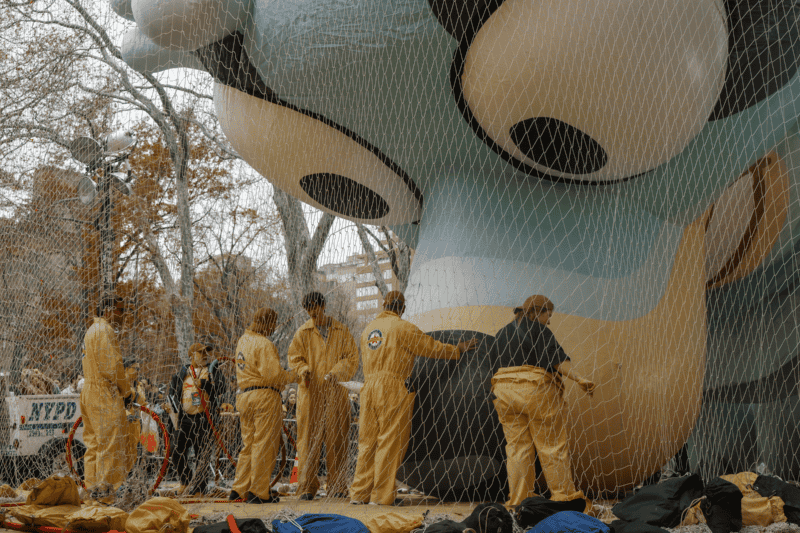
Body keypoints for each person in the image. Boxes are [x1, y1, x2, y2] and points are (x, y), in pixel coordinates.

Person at [350, 291, 478, 505]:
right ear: (402, 308)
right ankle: (380, 496)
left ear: (384, 305)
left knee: (367, 443)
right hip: (392, 386)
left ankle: (359, 494)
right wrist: (457, 350)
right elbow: (429, 347)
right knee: (389, 442)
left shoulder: (368, 330)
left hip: (369, 387)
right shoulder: (402, 328)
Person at [491, 295, 595, 506]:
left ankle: (519, 501)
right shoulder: (539, 330)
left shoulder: (502, 333)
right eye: (548, 314)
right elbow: (556, 361)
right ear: (538, 312)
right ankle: (564, 497)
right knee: (551, 446)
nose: (549, 320)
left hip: (504, 393)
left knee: (517, 448)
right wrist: (580, 379)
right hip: (535, 391)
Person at [288, 291, 359, 500]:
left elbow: (351, 358)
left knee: (337, 440)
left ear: (323, 306)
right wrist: (303, 370)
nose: (312, 313)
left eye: (315, 308)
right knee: (307, 441)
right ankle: (307, 486)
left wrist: (336, 373)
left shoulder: (341, 330)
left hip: (336, 393)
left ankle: (337, 486)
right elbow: (294, 359)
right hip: (310, 394)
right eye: (308, 310)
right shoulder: (302, 333)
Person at [231, 307, 298, 504]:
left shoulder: (243, 341)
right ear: (266, 323)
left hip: (244, 396)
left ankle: (239, 488)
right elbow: (274, 376)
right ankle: (259, 492)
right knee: (264, 445)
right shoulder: (263, 344)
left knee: (248, 445)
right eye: (272, 325)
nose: (273, 329)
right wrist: (295, 375)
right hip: (264, 396)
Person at [80, 295, 137, 500]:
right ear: (108, 311)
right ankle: (106, 494)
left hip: (88, 390)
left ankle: (92, 490)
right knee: (110, 443)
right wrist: (127, 391)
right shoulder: (105, 330)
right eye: (120, 311)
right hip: (103, 391)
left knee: (93, 444)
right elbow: (113, 367)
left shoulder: (91, 330)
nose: (123, 316)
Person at [167, 342, 223, 496]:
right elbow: (172, 394)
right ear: (191, 355)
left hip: (204, 418)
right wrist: (169, 407)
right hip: (183, 418)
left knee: (202, 455)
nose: (205, 355)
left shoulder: (212, 370)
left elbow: (222, 387)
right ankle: (185, 480)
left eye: (207, 352)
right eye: (201, 352)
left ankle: (199, 489)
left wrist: (204, 384)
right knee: (176, 450)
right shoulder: (181, 374)